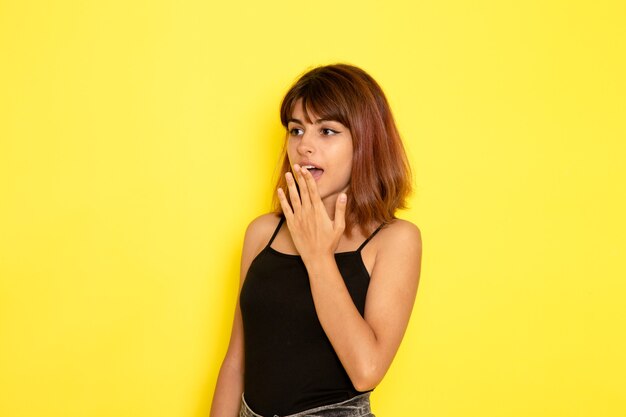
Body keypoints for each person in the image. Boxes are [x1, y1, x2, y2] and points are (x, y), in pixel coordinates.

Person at [210, 63, 422, 417]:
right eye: (296, 130)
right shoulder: (262, 233)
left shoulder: (395, 241)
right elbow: (236, 362)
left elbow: (366, 370)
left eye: (327, 131)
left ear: (365, 141)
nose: (304, 145)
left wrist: (318, 256)